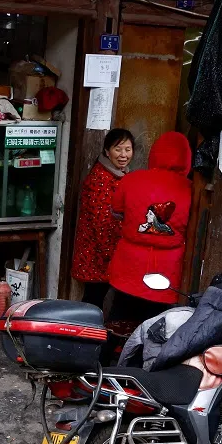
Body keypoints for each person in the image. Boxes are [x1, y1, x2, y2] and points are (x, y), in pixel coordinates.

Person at [107, 131, 193, 321]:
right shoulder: (191, 189)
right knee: (157, 324)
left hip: (128, 264)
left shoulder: (130, 180)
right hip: (168, 268)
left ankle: (114, 349)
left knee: (120, 319)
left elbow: (116, 211)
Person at [70, 128, 134, 309]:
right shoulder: (101, 179)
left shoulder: (120, 175)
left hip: (105, 254)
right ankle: (86, 335)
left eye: (127, 150)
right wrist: (113, 257)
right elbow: (103, 224)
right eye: (118, 149)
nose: (123, 155)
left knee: (95, 300)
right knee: (92, 302)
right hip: (97, 256)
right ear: (107, 151)